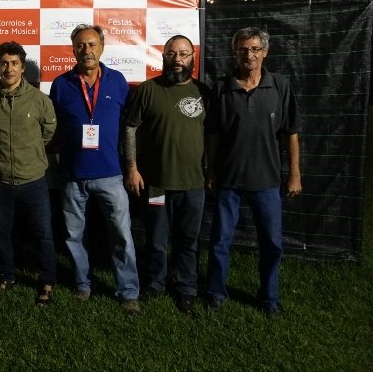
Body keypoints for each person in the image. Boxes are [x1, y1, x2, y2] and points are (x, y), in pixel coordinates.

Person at [204, 26, 302, 317]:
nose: (249, 55)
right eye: (243, 49)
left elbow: (290, 133)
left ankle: (269, 298)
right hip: (229, 181)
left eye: (255, 49)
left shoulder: (280, 85)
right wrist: (211, 171)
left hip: (267, 181)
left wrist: (294, 174)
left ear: (265, 52)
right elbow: (213, 135)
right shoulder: (221, 88)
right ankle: (215, 293)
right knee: (220, 242)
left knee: (272, 244)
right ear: (234, 53)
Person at [49, 24, 141, 315]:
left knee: (122, 235)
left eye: (92, 45)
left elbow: (129, 127)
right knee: (74, 235)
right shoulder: (61, 84)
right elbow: (53, 127)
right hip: (72, 175)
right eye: (80, 45)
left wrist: (131, 166)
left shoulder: (118, 81)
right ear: (73, 49)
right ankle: (83, 284)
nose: (86, 50)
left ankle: (128, 292)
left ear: (101, 47)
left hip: (111, 175)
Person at [122, 35, 210, 317]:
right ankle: (155, 283)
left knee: (188, 241)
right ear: (163, 57)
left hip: (193, 184)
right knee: (157, 239)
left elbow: (214, 135)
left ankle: (187, 288)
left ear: (193, 58)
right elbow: (130, 128)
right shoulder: (148, 90)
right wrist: (132, 167)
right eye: (172, 54)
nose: (177, 59)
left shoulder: (203, 92)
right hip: (156, 184)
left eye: (183, 54)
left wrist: (213, 171)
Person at [0, 41, 57, 306]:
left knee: (43, 234)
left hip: (33, 180)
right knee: (1, 233)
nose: (9, 68)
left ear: (22, 68)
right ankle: (7, 275)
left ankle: (47, 280)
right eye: (4, 63)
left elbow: (48, 132)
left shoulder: (39, 100)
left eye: (15, 63)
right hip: (0, 180)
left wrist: (31, 154)